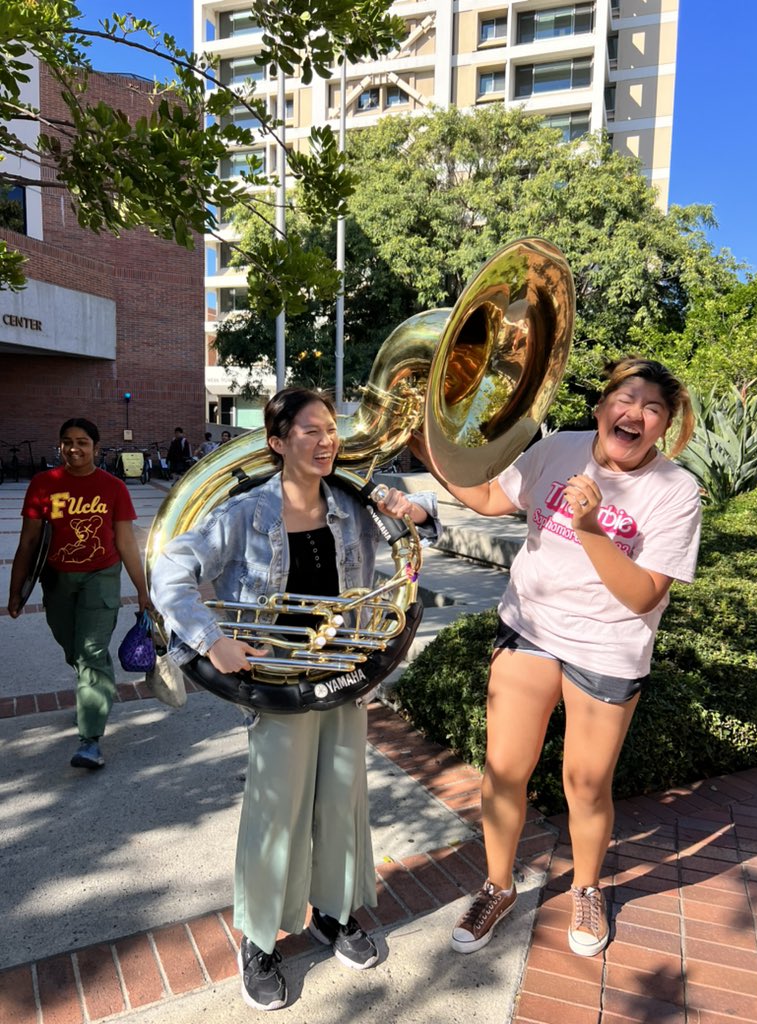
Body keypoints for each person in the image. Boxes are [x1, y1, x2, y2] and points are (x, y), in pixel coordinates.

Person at [150, 387, 439, 1010]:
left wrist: (411, 508)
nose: (326, 440)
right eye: (309, 431)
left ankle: (332, 914)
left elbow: (423, 516)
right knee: (275, 811)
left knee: (342, 800)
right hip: (279, 685)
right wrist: (211, 639)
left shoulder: (353, 503)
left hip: (347, 677)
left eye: (329, 429)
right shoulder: (244, 513)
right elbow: (167, 571)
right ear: (278, 443)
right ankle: (258, 938)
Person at [412, 357, 701, 959]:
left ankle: (588, 888)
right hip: (531, 629)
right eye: (626, 399)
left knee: (586, 785)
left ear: (665, 428)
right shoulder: (560, 448)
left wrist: (591, 526)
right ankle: (497, 886)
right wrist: (425, 442)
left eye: (653, 409)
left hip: (609, 648)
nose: (636, 414)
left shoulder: (675, 491)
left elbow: (644, 593)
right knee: (504, 771)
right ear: (600, 409)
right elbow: (491, 495)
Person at [7, 418, 150, 769]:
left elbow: (126, 542)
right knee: (73, 647)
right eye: (67, 441)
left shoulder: (113, 487)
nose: (74, 448)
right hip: (56, 580)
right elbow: (28, 541)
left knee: (91, 652)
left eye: (83, 442)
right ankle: (92, 694)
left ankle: (90, 739)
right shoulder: (43, 485)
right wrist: (16, 591)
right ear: (59, 446)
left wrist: (143, 589)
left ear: (96, 448)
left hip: (100, 577)